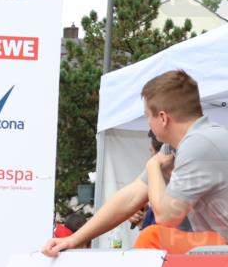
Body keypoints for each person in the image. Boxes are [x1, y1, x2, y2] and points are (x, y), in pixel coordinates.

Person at [43, 69, 228, 256]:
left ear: (163, 118)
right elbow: (131, 197)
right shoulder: (181, 144)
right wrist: (74, 239)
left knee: (153, 237)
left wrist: (152, 165)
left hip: (221, 251)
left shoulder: (199, 144)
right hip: (219, 249)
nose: (148, 123)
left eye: (147, 116)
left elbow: (166, 216)